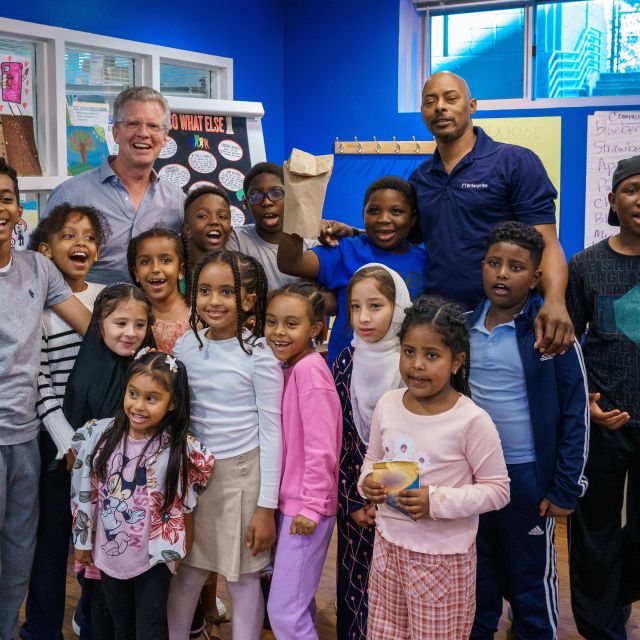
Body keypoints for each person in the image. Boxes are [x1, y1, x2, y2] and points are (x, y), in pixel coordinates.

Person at [359, 295, 510, 640]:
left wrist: (436, 501)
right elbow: (372, 460)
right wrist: (367, 483)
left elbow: (499, 491)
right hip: (388, 548)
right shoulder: (388, 403)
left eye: (431, 355)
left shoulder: (472, 420)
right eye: (409, 351)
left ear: (456, 361)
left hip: (442, 559)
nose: (417, 365)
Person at [467, 222, 588, 639]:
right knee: (476, 577)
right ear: (481, 266)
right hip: (472, 478)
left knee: (530, 581)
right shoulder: (460, 329)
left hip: (528, 478)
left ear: (536, 277)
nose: (502, 274)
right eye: (494, 263)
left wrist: (566, 486)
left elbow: (576, 414)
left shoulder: (553, 333)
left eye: (516, 267)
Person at [405, 71, 573, 355]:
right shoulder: (420, 178)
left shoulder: (515, 162)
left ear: (472, 106)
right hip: (441, 325)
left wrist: (555, 301)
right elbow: (401, 239)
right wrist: (352, 235)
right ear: (422, 113)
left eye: (450, 98)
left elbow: (546, 242)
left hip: (507, 323)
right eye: (430, 101)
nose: (440, 107)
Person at [167, 250, 283, 640]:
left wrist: (266, 507)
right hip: (194, 478)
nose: (213, 301)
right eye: (204, 290)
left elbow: (272, 431)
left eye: (226, 292)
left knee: (244, 577)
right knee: (189, 571)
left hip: (242, 480)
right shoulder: (186, 345)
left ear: (248, 300)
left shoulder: (260, 356)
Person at [0, 158, 91, 640]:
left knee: (19, 555)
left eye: (6, 197)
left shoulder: (37, 267)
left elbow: (94, 330)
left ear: (18, 211)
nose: (1, 206)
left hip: (26, 438)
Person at [70, 350, 215, 640]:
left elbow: (185, 505)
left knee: (150, 629)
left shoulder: (178, 448)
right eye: (133, 393)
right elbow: (84, 493)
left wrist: (182, 547)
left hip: (153, 562)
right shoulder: (100, 436)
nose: (138, 405)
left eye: (151, 398)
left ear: (172, 402)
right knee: (121, 627)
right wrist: (82, 542)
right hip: (109, 556)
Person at [20, 203, 108, 640]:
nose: (81, 243)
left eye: (90, 236)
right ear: (44, 250)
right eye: (69, 235)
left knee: (103, 543)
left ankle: (90, 621)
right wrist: (68, 443)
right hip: (59, 446)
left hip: (106, 445)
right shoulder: (37, 306)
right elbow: (41, 385)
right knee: (51, 546)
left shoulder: (108, 298)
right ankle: (41, 628)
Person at [567, 155, 640, 640]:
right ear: (613, 200)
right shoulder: (585, 265)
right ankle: (600, 625)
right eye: (633, 189)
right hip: (604, 421)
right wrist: (586, 405)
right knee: (595, 530)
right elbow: (567, 346)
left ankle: (626, 596)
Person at [63, 282, 155, 639]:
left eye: (139, 325)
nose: (130, 333)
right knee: (97, 591)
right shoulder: (86, 372)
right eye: (120, 323)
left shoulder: (151, 373)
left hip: (138, 507)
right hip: (97, 505)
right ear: (99, 323)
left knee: (135, 593)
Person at [332, 263, 411, 640]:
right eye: (355, 307)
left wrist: (386, 502)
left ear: (398, 308)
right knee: (356, 590)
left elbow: (416, 442)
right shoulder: (345, 362)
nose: (363, 318)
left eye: (376, 306)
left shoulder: (411, 365)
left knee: (398, 595)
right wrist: (352, 504)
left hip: (404, 507)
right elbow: (341, 441)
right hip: (355, 504)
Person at [263, 283, 342, 639]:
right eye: (271, 322)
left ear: (316, 329)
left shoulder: (310, 372)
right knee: (297, 603)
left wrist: (310, 508)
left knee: (284, 613)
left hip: (306, 509)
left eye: (291, 324)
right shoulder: (290, 367)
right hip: (292, 504)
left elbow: (322, 448)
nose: (279, 332)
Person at [277, 175, 425, 365]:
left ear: (412, 218)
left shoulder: (423, 262)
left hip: (401, 370)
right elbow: (291, 263)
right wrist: (297, 206)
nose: (384, 219)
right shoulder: (347, 250)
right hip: (346, 370)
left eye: (396, 211)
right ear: (363, 213)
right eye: (373, 211)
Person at [44, 86, 185, 285]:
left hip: (153, 314)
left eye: (153, 126)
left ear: (164, 138)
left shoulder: (176, 200)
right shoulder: (71, 194)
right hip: (86, 313)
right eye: (133, 123)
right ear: (116, 133)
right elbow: (42, 268)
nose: (143, 133)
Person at [227, 162, 319, 290]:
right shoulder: (236, 239)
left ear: (290, 198)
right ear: (246, 204)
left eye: (276, 193)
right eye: (255, 196)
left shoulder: (312, 244)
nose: (266, 202)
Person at [127, 227, 191, 353]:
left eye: (165, 260)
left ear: (180, 270)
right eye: (145, 261)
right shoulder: (129, 315)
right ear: (135, 273)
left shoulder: (200, 313)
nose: (155, 268)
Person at [182, 185, 233, 287]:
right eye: (203, 216)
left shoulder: (241, 277)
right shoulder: (174, 280)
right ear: (187, 230)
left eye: (222, 216)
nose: (214, 221)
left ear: (230, 232)